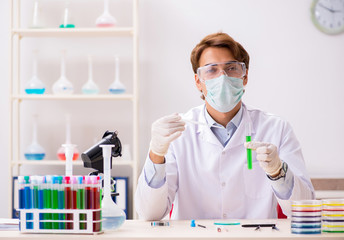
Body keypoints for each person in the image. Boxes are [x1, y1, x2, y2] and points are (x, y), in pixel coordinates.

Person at [135, 32, 315, 220]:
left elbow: (303, 209)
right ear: (198, 82)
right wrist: (156, 154)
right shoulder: (176, 133)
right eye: (211, 70)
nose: (222, 77)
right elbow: (149, 214)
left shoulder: (277, 129)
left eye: (231, 68)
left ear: (244, 77)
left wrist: (278, 172)